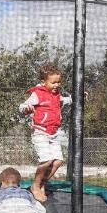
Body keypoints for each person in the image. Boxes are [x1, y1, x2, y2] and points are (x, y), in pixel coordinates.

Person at [19, 64, 75, 203]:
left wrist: (79, 96)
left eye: (58, 82)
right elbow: (22, 107)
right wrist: (27, 108)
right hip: (40, 131)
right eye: (53, 82)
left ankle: (40, 184)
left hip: (53, 133)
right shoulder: (37, 94)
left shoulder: (56, 95)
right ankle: (36, 186)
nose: (56, 85)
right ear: (43, 82)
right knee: (46, 161)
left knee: (58, 161)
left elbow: (67, 100)